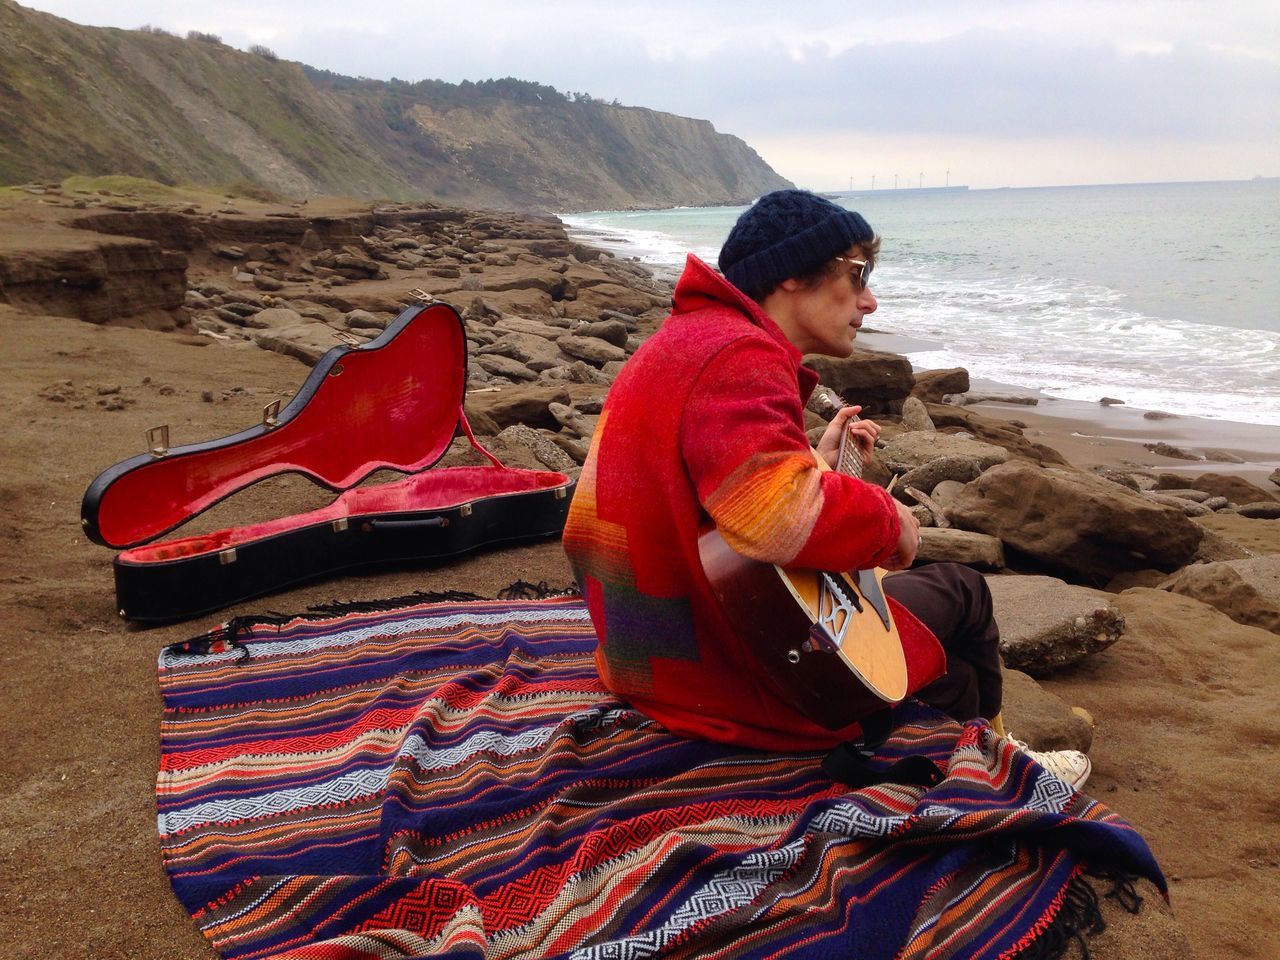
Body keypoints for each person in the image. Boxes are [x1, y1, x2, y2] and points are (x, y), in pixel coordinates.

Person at [562, 189, 1090, 787]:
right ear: (790, 274)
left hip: (647, 654)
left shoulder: (691, 339)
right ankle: (1002, 765)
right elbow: (775, 519)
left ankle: (973, 741)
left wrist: (818, 461)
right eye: (857, 273)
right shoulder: (741, 353)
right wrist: (889, 519)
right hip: (721, 677)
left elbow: (707, 495)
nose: (868, 299)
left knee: (945, 672)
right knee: (962, 589)